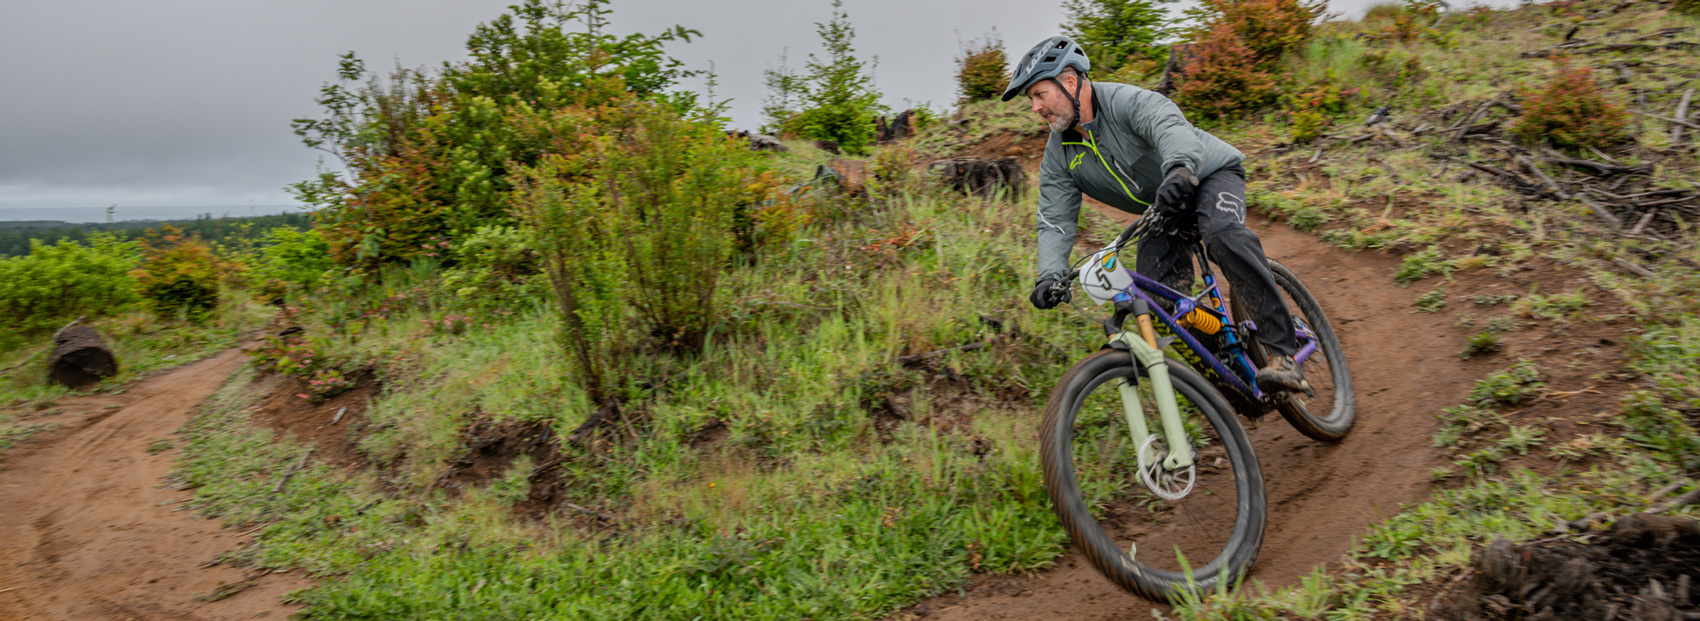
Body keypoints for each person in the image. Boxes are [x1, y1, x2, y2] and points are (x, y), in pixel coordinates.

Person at [1006, 36, 1308, 393]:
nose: (1035, 108)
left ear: (1069, 82)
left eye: (1039, 95)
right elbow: (1054, 217)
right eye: (1031, 100)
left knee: (1224, 236)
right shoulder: (1059, 155)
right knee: (1161, 303)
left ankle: (1282, 353)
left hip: (1204, 175)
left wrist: (1180, 167)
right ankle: (1231, 374)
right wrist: (1049, 275)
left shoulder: (1125, 101)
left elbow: (1168, 126)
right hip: (1162, 208)